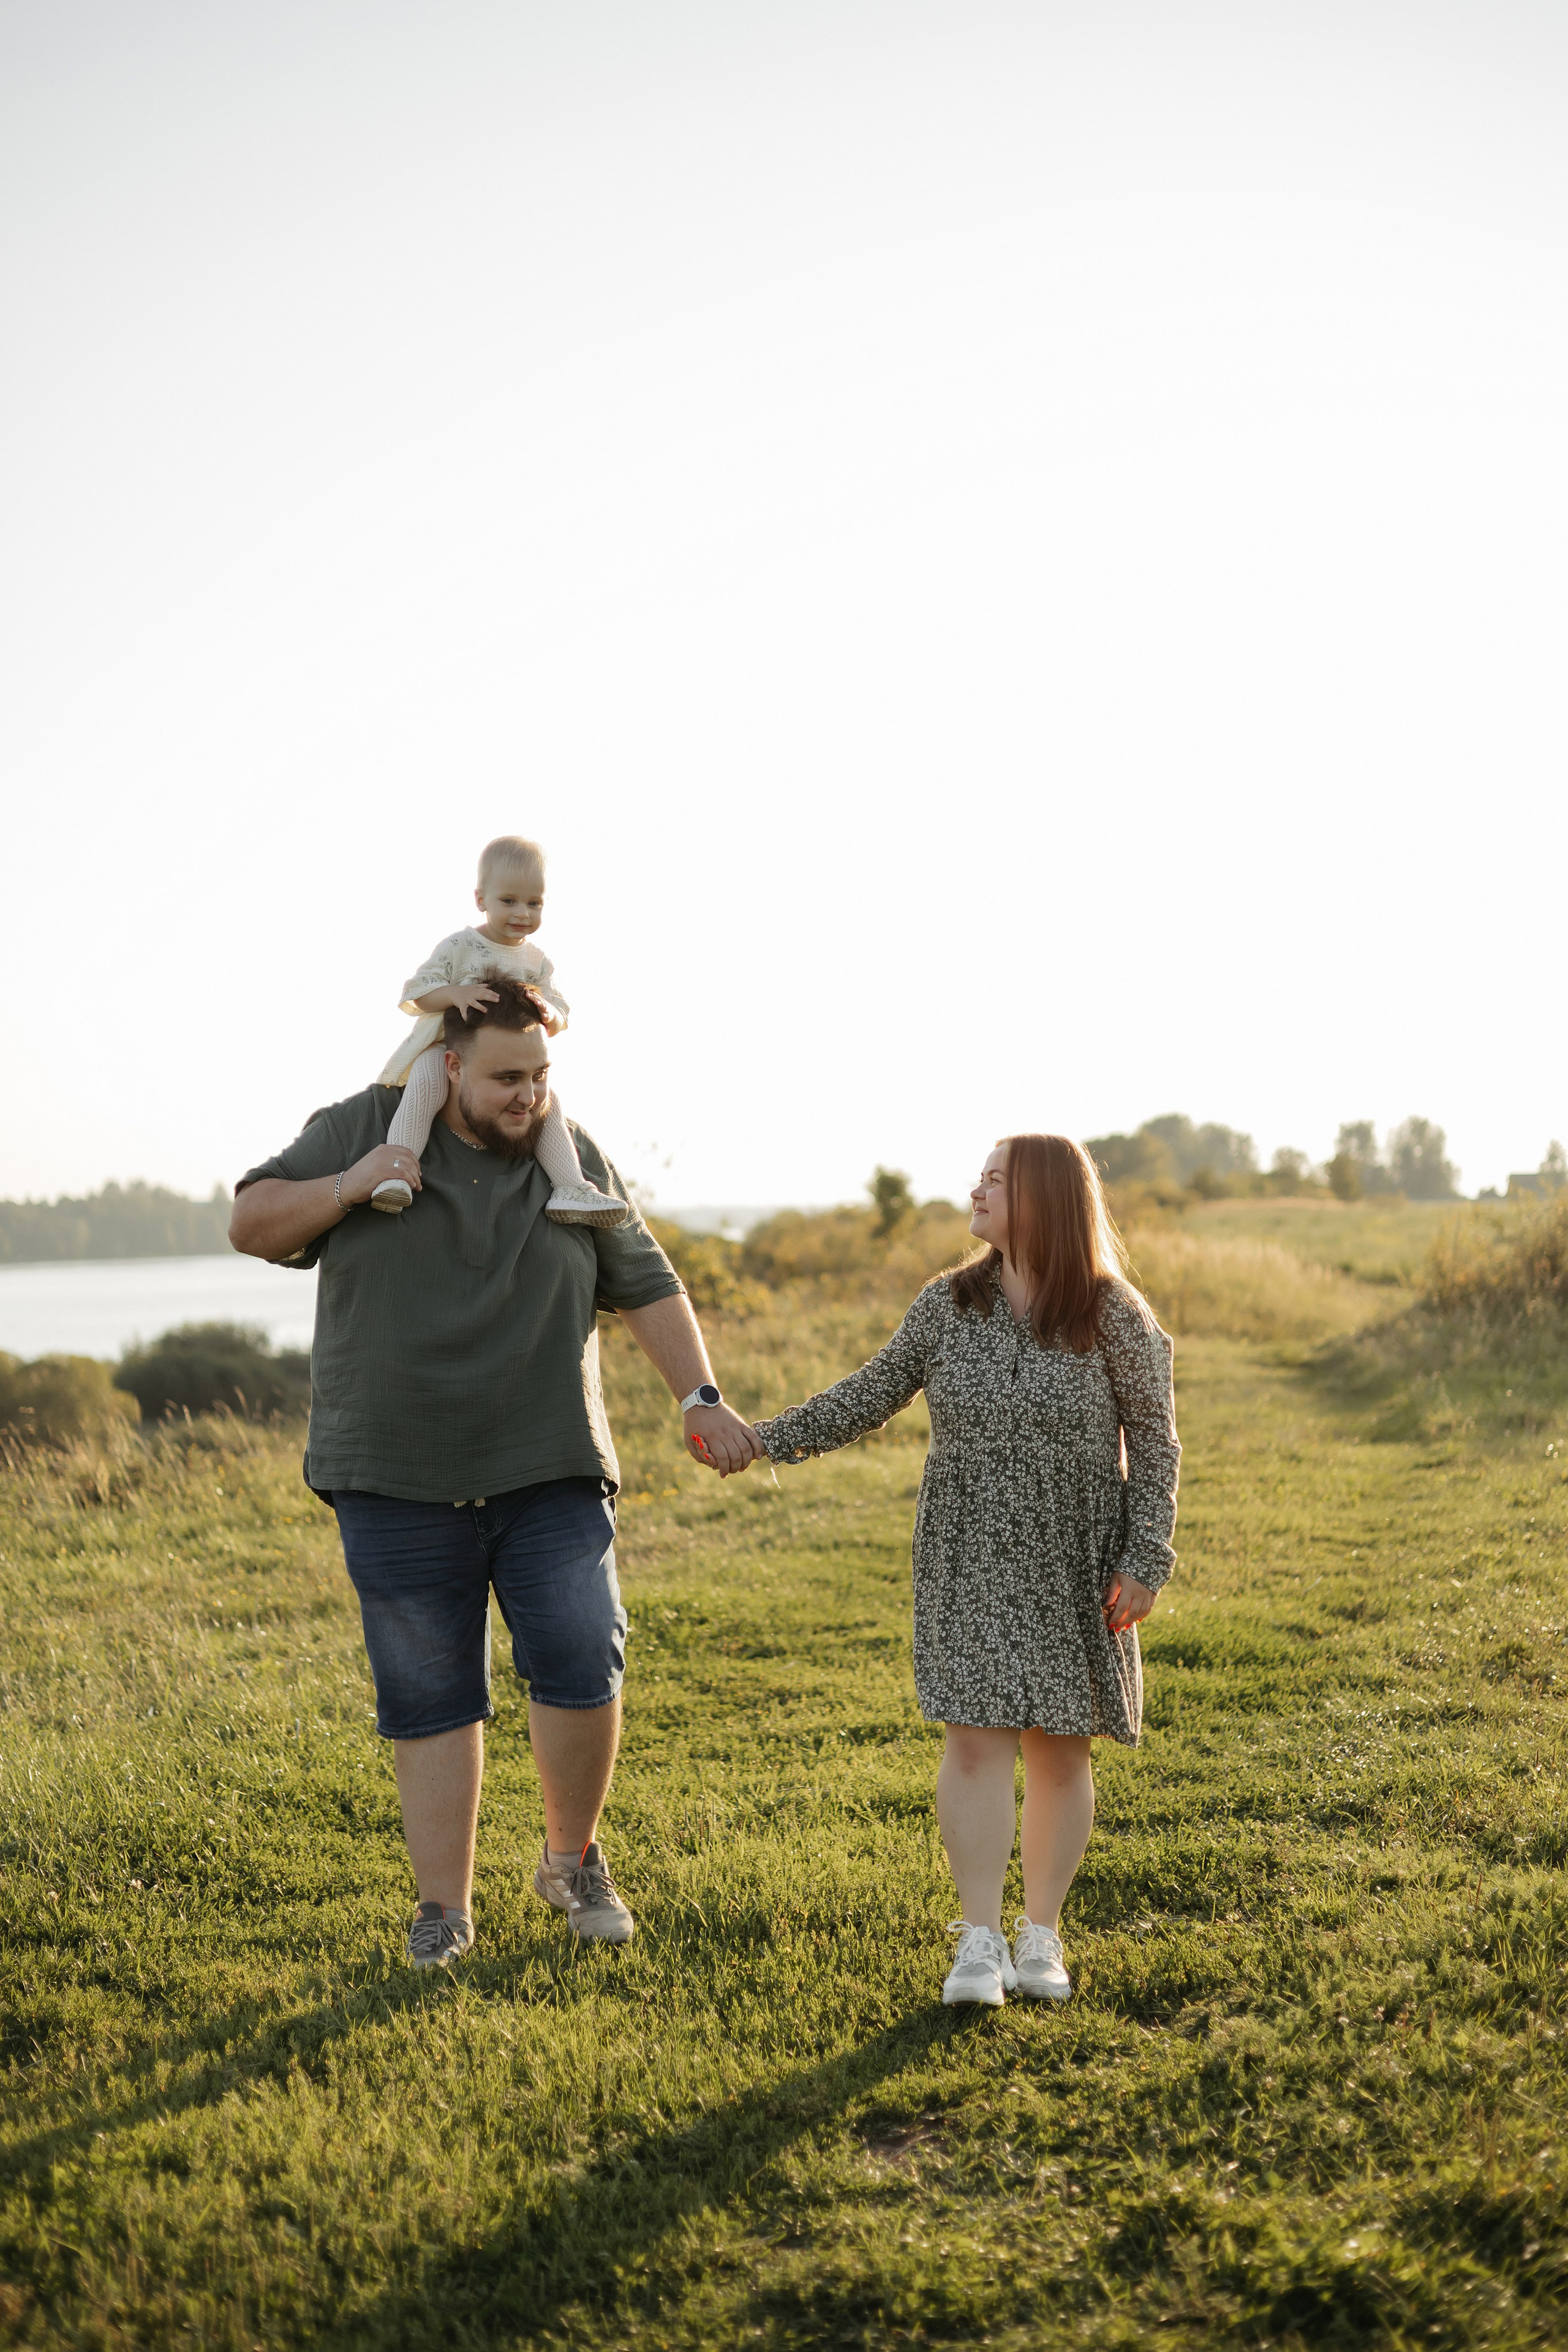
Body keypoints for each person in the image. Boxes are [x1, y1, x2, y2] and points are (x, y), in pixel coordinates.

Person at [230, 971, 765, 1970]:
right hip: (391, 1471)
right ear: (447, 1069)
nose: (530, 1095)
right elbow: (253, 1221)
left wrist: (699, 1399)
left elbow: (648, 1284)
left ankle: (572, 1861)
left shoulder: (570, 1157)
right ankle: (445, 1910)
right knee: (431, 1694)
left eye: (542, 1074)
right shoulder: (363, 1128)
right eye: (506, 1078)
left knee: (580, 1655)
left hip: (548, 1463)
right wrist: (355, 1182)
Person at [754, 1134, 1180, 2008]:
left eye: (997, 1179)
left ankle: (1043, 1937)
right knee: (975, 1744)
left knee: (1061, 1751)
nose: (976, 1190)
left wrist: (1147, 1558)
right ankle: (979, 1942)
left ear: (1049, 1200)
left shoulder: (1113, 1313)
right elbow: (867, 1395)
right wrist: (765, 1441)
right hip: (969, 1551)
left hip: (1078, 1558)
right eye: (981, 1176)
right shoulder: (948, 1305)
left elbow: (1158, 1443)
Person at [369, 832, 626, 1227]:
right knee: (427, 1082)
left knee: (546, 1102)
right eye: (509, 901)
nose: (522, 912)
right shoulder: (461, 946)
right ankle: (396, 1171)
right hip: (447, 1049)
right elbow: (417, 994)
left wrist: (547, 1011)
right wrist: (456, 993)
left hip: (508, 1066)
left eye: (534, 903)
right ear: (481, 900)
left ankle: (571, 1188)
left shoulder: (537, 961)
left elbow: (560, 1013)